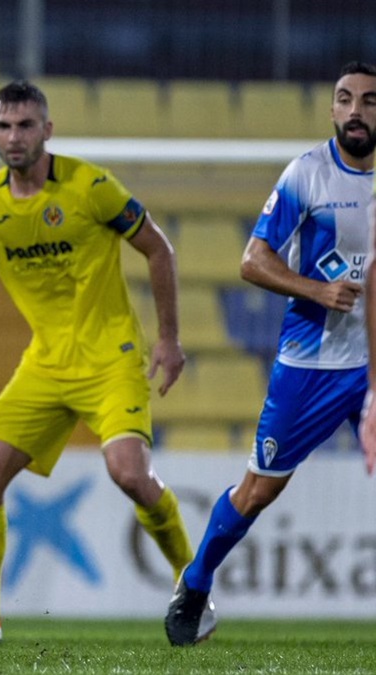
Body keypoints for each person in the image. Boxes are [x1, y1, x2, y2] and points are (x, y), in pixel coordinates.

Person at [0, 80, 194, 645]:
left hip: (110, 359)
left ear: (47, 130)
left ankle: (192, 584)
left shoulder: (90, 187)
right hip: (46, 365)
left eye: (26, 125)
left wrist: (169, 339)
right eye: (3, 126)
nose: (14, 137)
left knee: (129, 473)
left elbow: (159, 248)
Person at [166, 61, 376, 647]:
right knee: (260, 489)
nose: (356, 110)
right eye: (345, 99)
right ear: (332, 110)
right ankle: (197, 581)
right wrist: (317, 290)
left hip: (371, 364)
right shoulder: (307, 175)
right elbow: (251, 260)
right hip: (310, 365)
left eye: (369, 100)